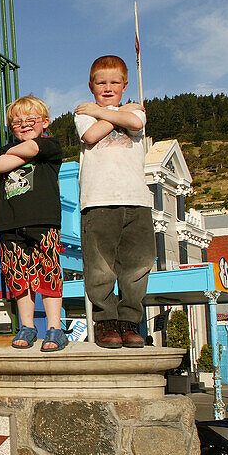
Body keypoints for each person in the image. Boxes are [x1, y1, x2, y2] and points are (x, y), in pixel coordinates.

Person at [74, 55, 152, 349]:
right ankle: (106, 321)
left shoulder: (136, 112)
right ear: (91, 85)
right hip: (98, 199)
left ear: (125, 84)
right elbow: (91, 134)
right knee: (100, 267)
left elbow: (134, 122)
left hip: (136, 201)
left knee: (137, 265)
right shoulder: (84, 113)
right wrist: (110, 112)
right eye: (101, 82)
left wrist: (108, 112)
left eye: (115, 82)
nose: (108, 88)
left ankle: (130, 322)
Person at [0, 95, 66, 352]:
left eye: (30, 119)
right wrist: (17, 154)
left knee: (49, 272)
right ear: (10, 127)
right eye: (17, 121)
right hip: (10, 224)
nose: (24, 124)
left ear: (45, 121)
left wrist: (14, 155)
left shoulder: (50, 146)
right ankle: (27, 326)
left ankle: (55, 327)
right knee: (18, 276)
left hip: (44, 222)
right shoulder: (3, 151)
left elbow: (33, 149)